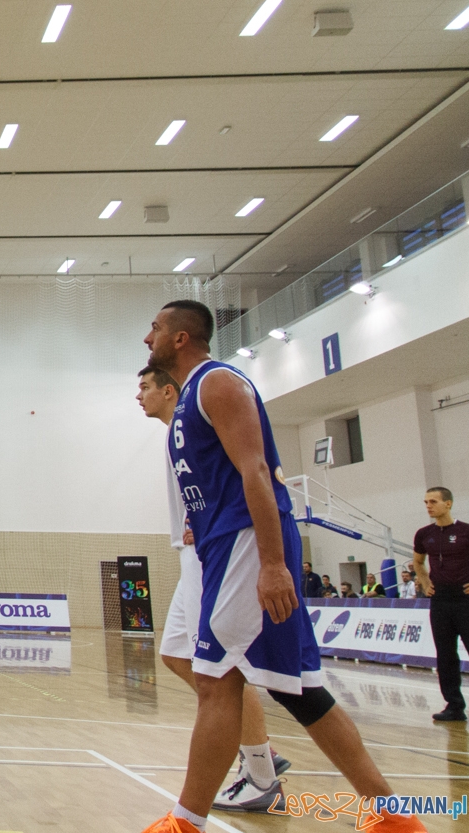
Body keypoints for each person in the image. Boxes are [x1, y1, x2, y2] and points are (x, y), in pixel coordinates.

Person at [139, 300, 424, 833]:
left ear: (180, 338)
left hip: (247, 545)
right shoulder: (190, 399)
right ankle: (392, 816)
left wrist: (272, 563)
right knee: (300, 690)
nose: (146, 337)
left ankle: (185, 822)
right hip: (225, 547)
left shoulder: (217, 383)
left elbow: (257, 472)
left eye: (155, 328)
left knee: (216, 680)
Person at [137, 364, 288, 811]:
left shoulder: (198, 419)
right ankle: (261, 751)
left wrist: (205, 526)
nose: (139, 395)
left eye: (145, 387)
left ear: (169, 391)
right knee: (176, 655)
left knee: (222, 670)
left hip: (212, 551)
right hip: (192, 550)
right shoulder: (174, 435)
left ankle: (260, 770)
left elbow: (242, 472)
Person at [414, 486, 469, 722]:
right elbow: (418, 562)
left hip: (465, 599)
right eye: (426, 502)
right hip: (440, 601)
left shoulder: (465, 531)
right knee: (445, 655)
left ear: (448, 503)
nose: (428, 506)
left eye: (433, 501)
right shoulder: (424, 534)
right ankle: (454, 706)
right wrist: (426, 582)